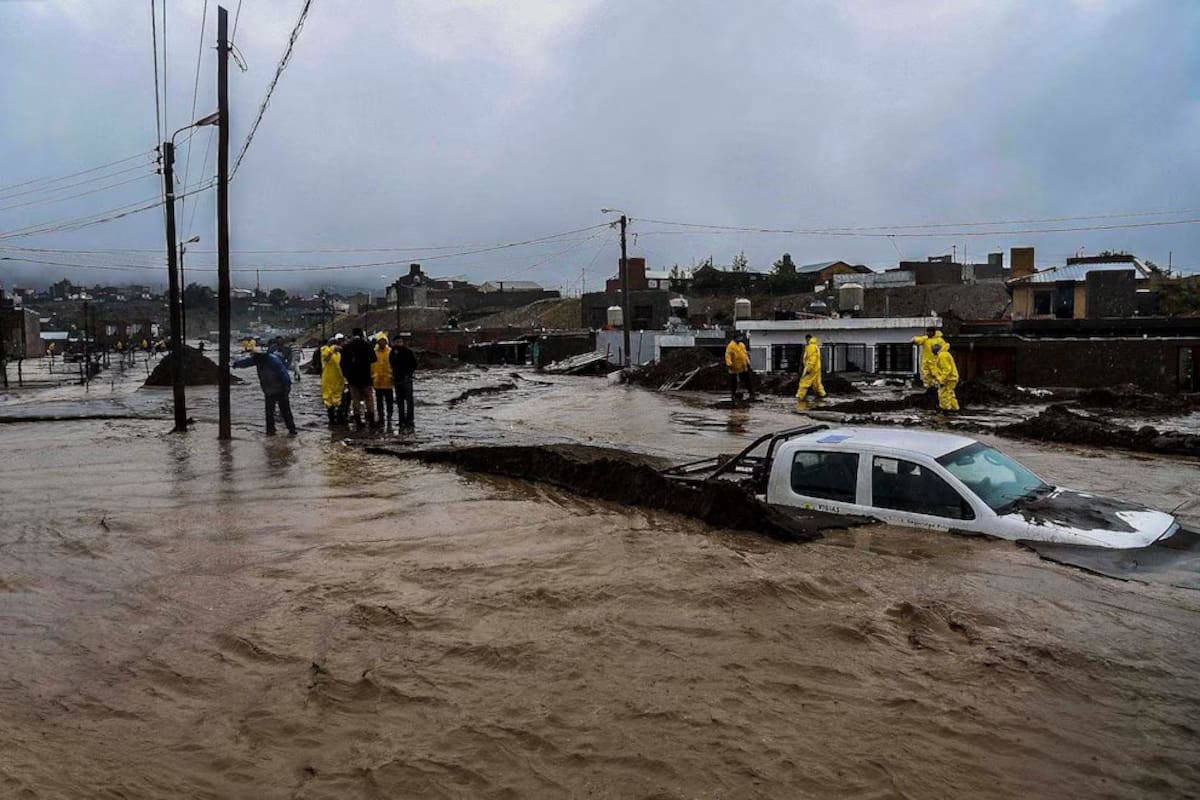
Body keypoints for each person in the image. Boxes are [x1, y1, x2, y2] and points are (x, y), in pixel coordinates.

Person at [233, 348, 297, 435]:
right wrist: (236, 364)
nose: (255, 358)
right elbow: (246, 362)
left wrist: (287, 387)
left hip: (280, 389)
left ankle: (291, 429)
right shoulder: (258, 359)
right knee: (270, 412)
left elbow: (284, 374)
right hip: (268, 390)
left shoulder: (273, 361)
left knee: (284, 411)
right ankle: (271, 430)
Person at [338, 327, 377, 428]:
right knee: (369, 398)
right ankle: (371, 420)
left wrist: (346, 374)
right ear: (361, 334)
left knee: (355, 399)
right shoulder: (367, 345)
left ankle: (358, 420)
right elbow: (374, 359)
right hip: (366, 377)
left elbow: (342, 363)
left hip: (352, 378)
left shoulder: (347, 347)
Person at [389, 333, 418, 427]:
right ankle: (401, 419)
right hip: (397, 379)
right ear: (394, 343)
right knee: (400, 401)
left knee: (409, 400)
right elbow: (392, 364)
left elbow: (414, 364)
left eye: (400, 342)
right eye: (397, 342)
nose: (398, 344)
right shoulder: (392, 352)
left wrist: (408, 374)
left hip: (406, 379)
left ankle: (410, 419)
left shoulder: (408, 352)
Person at [320, 334, 345, 428]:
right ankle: (331, 420)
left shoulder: (338, 354)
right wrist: (332, 349)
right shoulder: (324, 350)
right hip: (328, 380)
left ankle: (339, 419)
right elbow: (325, 356)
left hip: (338, 380)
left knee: (338, 400)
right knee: (329, 400)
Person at [371, 333, 394, 425]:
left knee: (389, 401)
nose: (381, 343)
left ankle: (389, 416)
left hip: (388, 381)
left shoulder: (390, 352)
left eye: (383, 341)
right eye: (380, 341)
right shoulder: (374, 352)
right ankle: (381, 417)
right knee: (379, 401)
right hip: (377, 381)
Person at [930, 342, 960, 412]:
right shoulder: (945, 354)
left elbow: (946, 369)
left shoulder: (942, 355)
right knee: (950, 394)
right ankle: (954, 408)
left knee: (944, 394)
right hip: (951, 378)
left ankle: (946, 409)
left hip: (948, 379)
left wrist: (941, 380)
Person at [797, 334, 826, 401]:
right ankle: (822, 394)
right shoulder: (815, 346)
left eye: (807, 339)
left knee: (804, 382)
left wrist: (809, 368)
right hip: (816, 368)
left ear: (808, 339)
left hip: (811, 368)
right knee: (816, 382)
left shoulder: (811, 347)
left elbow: (812, 358)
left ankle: (800, 396)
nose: (806, 341)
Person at [724, 335, 750, 402]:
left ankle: (751, 393)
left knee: (747, 380)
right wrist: (729, 364)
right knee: (734, 382)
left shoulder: (742, 345)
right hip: (734, 368)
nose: (741, 339)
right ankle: (733, 394)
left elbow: (745, 354)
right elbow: (728, 356)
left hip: (743, 367)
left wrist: (748, 362)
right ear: (735, 338)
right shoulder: (731, 346)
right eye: (739, 337)